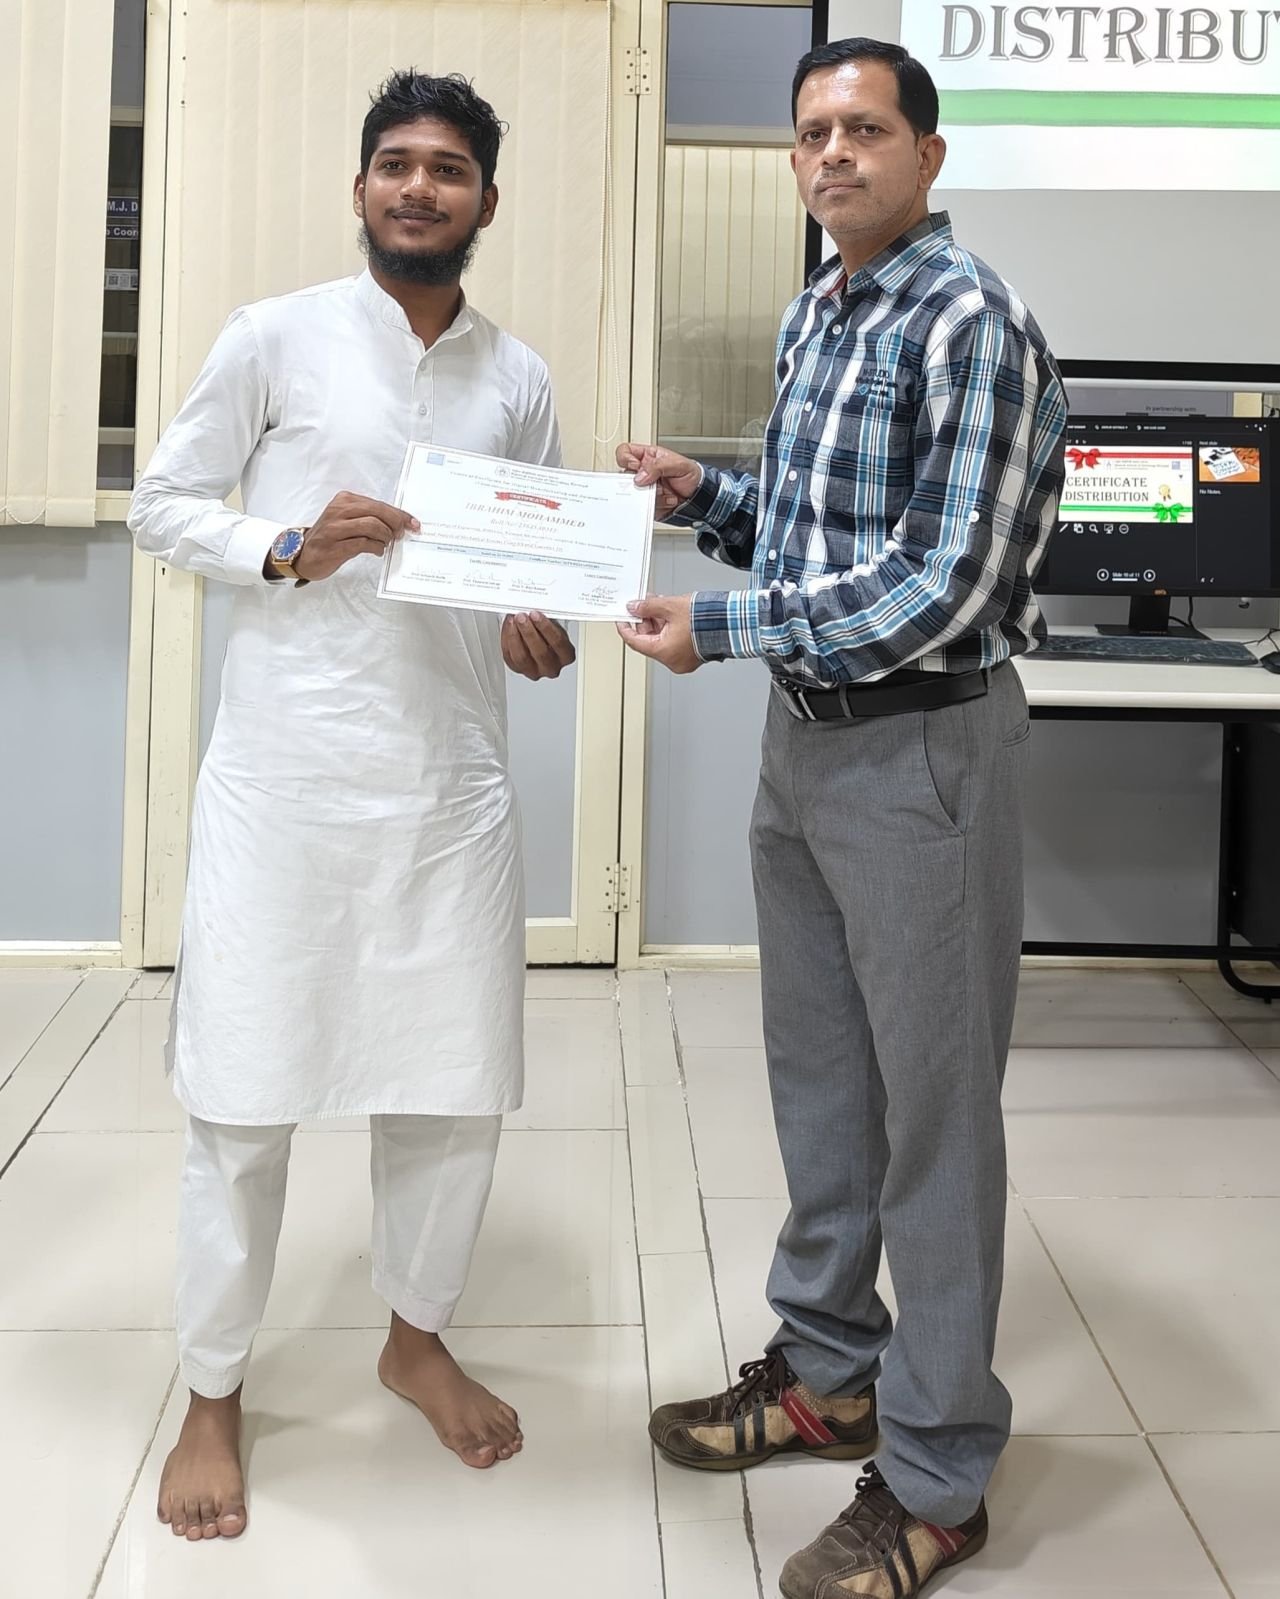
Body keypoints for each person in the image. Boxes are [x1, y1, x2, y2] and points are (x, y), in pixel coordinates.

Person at [618, 38, 1067, 1599]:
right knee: (823, 1086)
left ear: (927, 156)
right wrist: (705, 499)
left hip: (921, 752)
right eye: (812, 132)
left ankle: (938, 1475)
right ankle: (828, 1371)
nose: (832, 154)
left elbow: (937, 590)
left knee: (933, 1122)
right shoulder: (824, 307)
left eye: (865, 129)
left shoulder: (970, 322)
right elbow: (820, 539)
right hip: (805, 752)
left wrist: (722, 627)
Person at [128, 69, 577, 1544]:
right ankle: (212, 1388)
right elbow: (161, 502)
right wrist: (286, 546)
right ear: (363, 186)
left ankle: (415, 1336)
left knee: (451, 1085)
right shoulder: (274, 336)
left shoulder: (516, 376)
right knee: (243, 1096)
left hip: (450, 785)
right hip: (288, 778)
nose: (418, 187)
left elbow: (530, 562)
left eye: (448, 168)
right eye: (396, 163)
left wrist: (536, 618)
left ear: (485, 200)